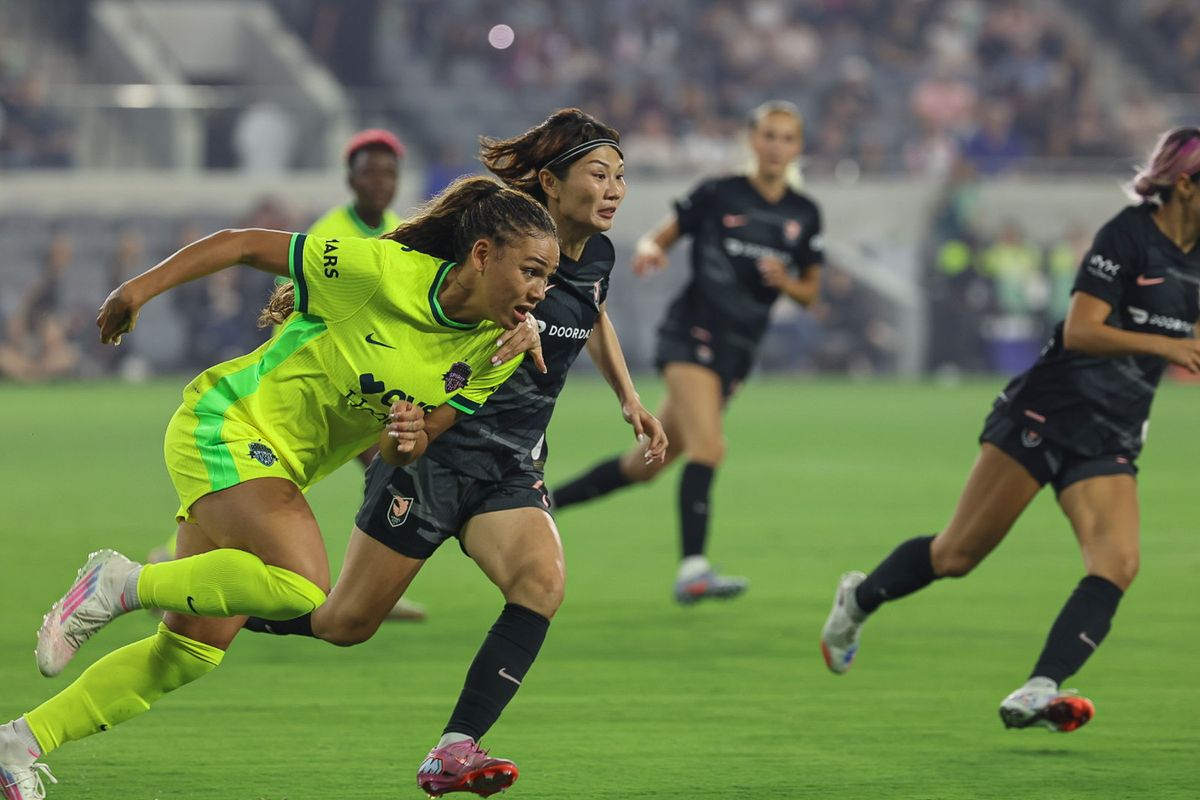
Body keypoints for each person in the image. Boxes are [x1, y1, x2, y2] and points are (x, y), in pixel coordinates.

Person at [0, 176, 558, 799]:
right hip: (227, 420)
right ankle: (120, 583)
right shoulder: (378, 270)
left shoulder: (499, 349)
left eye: (547, 279)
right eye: (531, 272)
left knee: (187, 655)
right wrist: (138, 289)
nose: (539, 292)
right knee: (303, 585)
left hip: (276, 467)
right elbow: (241, 245)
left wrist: (406, 437)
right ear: (481, 255)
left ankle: (18, 742)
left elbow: (414, 442)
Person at [242, 108, 668, 798]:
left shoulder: (598, 256)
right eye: (599, 173)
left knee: (541, 583)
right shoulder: (498, 244)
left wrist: (628, 396)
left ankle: (454, 748)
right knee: (346, 623)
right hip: (436, 450)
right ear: (551, 186)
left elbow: (593, 310)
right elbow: (415, 299)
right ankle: (213, 603)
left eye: (622, 175)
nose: (615, 187)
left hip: (510, 464)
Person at [820, 126, 1200, 733]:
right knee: (958, 554)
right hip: (1048, 411)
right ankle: (857, 602)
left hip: (1113, 432)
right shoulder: (1127, 237)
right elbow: (1080, 329)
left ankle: (1040, 689)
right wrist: (1168, 344)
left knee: (1118, 562)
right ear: (1185, 184)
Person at [552, 100, 825, 604]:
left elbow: (810, 290)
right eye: (768, 135)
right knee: (710, 448)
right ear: (752, 139)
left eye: (787, 138)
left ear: (798, 148)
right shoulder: (720, 193)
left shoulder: (803, 214)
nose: (776, 146)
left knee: (649, 463)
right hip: (692, 333)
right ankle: (693, 569)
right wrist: (652, 249)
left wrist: (787, 281)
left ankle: (545, 502)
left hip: (738, 350)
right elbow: (663, 235)